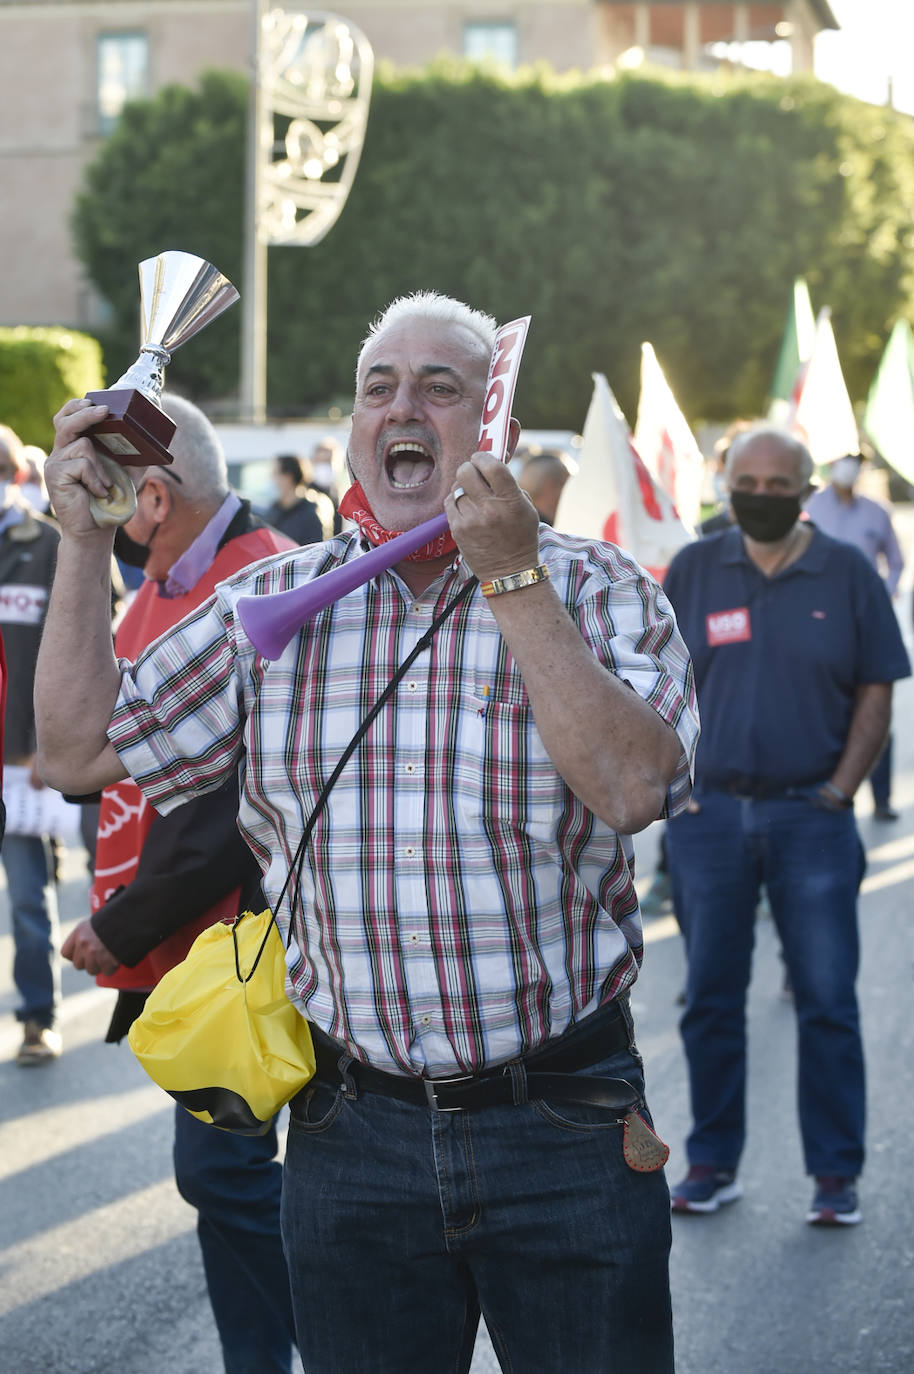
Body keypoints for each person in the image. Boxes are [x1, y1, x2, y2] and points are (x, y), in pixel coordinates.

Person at [36, 292, 698, 1374]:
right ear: (351, 428)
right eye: (377, 387)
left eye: (441, 388)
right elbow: (73, 753)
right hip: (350, 1140)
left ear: (495, 431)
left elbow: (632, 787)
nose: (404, 407)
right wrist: (82, 537)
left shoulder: (599, 587)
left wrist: (510, 575)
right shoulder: (273, 603)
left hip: (564, 1131)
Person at [57, 395, 298, 1374]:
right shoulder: (162, 577)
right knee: (219, 1187)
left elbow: (242, 805)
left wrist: (127, 918)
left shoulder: (262, 579)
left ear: (150, 496)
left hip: (242, 946)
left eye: (108, 489)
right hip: (187, 951)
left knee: (225, 1173)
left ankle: (359, 1338)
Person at [663, 426, 910, 1228]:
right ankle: (712, 1162)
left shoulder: (845, 573)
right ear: (724, 484)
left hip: (814, 819)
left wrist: (842, 790)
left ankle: (834, 1176)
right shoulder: (694, 569)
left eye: (780, 484)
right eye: (748, 481)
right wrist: (679, 787)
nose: (762, 495)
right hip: (708, 820)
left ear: (807, 491)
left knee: (828, 1002)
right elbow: (649, 683)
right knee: (708, 999)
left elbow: (879, 685)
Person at [0, 421, 62, 1064]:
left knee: (25, 901)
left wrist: (52, 742)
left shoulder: (44, 545)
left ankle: (37, 1019)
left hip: (19, 762)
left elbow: (78, 648)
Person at [805, 451, 905, 820]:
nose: (849, 467)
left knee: (875, 707)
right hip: (818, 620)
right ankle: (822, 790)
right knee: (824, 705)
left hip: (865, 622)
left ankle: (881, 799)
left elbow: (895, 561)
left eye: (856, 461)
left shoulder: (877, 512)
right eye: (843, 459)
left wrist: (884, 592)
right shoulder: (812, 507)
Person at [264, 452, 335, 544]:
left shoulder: (313, 509)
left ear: (288, 477)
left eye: (275, 473)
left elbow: (317, 548)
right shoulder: (275, 508)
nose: (271, 477)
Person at [516, 447, 575, 524]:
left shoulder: (515, 521)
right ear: (550, 487)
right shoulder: (543, 529)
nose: (571, 494)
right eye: (565, 485)